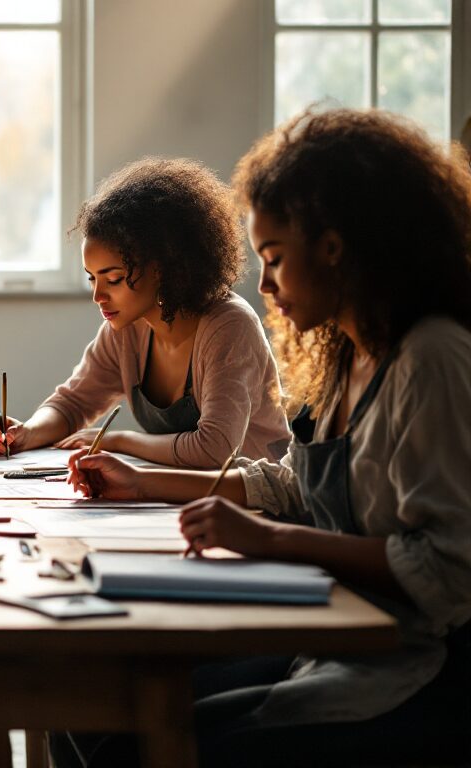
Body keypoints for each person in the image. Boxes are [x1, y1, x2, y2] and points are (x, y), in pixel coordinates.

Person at [58, 108, 471, 766]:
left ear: (334, 247)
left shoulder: (431, 359)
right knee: (86, 701)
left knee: (128, 743)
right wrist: (144, 481)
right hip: (328, 635)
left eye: (275, 258)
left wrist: (269, 539)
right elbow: (290, 483)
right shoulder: (335, 354)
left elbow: (445, 572)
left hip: (406, 669)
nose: (266, 282)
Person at [0, 158, 291, 467]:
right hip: (179, 498)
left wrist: (117, 440)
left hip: (250, 501)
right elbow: (73, 403)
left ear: (161, 268)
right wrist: (25, 433)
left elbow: (214, 450)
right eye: (92, 278)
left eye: (113, 279)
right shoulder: (128, 329)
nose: (98, 295)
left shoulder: (228, 326)